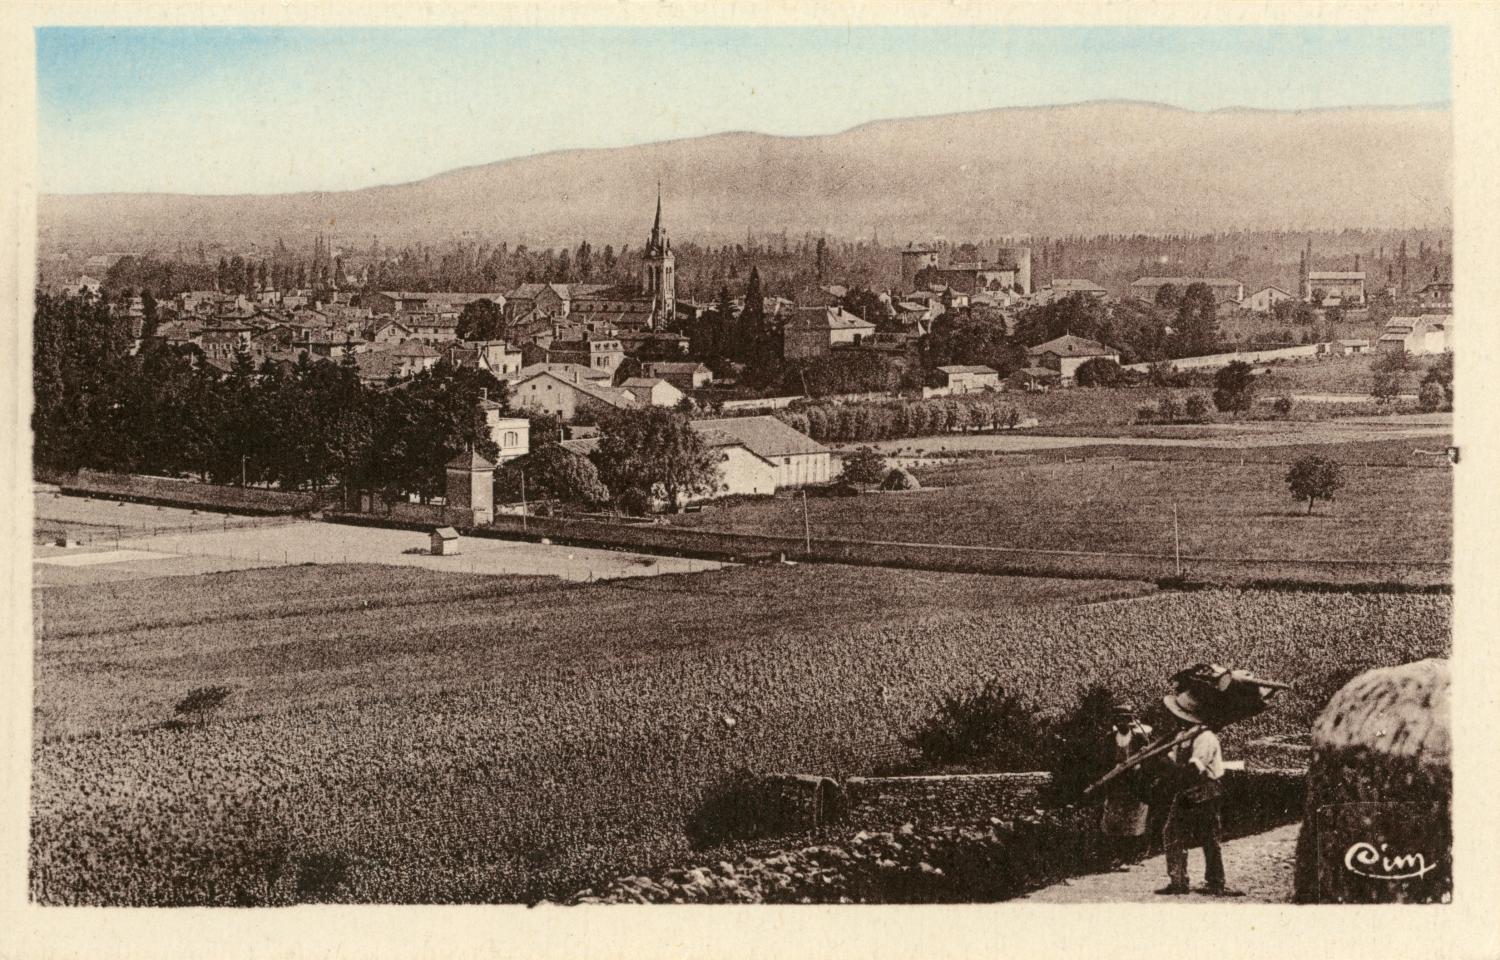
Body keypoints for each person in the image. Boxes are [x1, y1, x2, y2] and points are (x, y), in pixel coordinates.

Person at [1154, 686, 1242, 897]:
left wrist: (1168, 767)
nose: (1176, 719)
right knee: (1172, 833)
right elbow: (1174, 761)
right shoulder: (1182, 736)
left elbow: (1194, 770)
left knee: (1209, 837)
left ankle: (1216, 882)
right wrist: (1161, 761)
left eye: (1179, 715)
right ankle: (1178, 881)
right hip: (1186, 791)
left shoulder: (1206, 738)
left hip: (1205, 792)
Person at [1099, 699, 1152, 870]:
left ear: (1131, 721)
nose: (1123, 723)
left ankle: (1132, 856)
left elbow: (1150, 759)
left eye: (1126, 719)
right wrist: (1112, 768)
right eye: (1119, 719)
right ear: (1115, 721)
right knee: (1114, 819)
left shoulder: (1139, 738)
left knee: (1134, 819)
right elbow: (1102, 762)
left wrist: (1139, 764)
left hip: (1134, 785)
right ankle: (1116, 856)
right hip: (1115, 786)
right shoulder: (1109, 739)